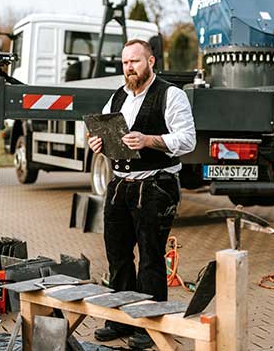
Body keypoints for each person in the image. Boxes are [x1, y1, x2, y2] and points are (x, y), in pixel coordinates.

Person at [88, 39, 196, 349]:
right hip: (120, 184)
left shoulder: (170, 95)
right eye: (125, 63)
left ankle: (149, 325)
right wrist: (99, 144)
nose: (129, 67)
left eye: (135, 61)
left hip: (156, 185)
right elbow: (106, 134)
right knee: (117, 254)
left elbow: (187, 140)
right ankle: (121, 318)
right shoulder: (117, 97)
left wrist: (149, 140)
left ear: (150, 61)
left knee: (150, 256)